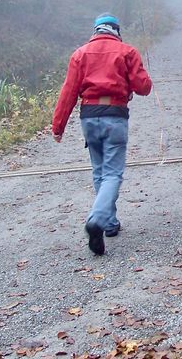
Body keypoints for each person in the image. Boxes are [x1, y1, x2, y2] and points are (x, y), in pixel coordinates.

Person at [52, 13, 152, 255]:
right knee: (112, 174)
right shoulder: (127, 52)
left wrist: (58, 126)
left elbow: (68, 92)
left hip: (89, 116)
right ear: (116, 31)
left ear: (96, 30)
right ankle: (97, 219)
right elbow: (143, 88)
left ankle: (109, 222)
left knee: (99, 171)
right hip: (115, 116)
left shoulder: (79, 54)